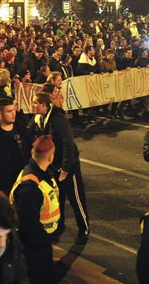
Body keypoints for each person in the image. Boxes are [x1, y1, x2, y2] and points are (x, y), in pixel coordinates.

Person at [28, 92, 89, 244]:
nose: (33, 105)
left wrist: (66, 168)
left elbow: (68, 143)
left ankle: (84, 229)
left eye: (35, 103)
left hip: (68, 166)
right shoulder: (39, 118)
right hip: (53, 166)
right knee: (58, 197)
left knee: (76, 198)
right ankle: (58, 227)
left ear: (44, 105)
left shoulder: (57, 119)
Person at [9, 135, 59, 284]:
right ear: (50, 157)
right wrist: (42, 240)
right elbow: (27, 225)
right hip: (34, 248)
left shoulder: (40, 174)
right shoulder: (30, 187)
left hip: (40, 243)